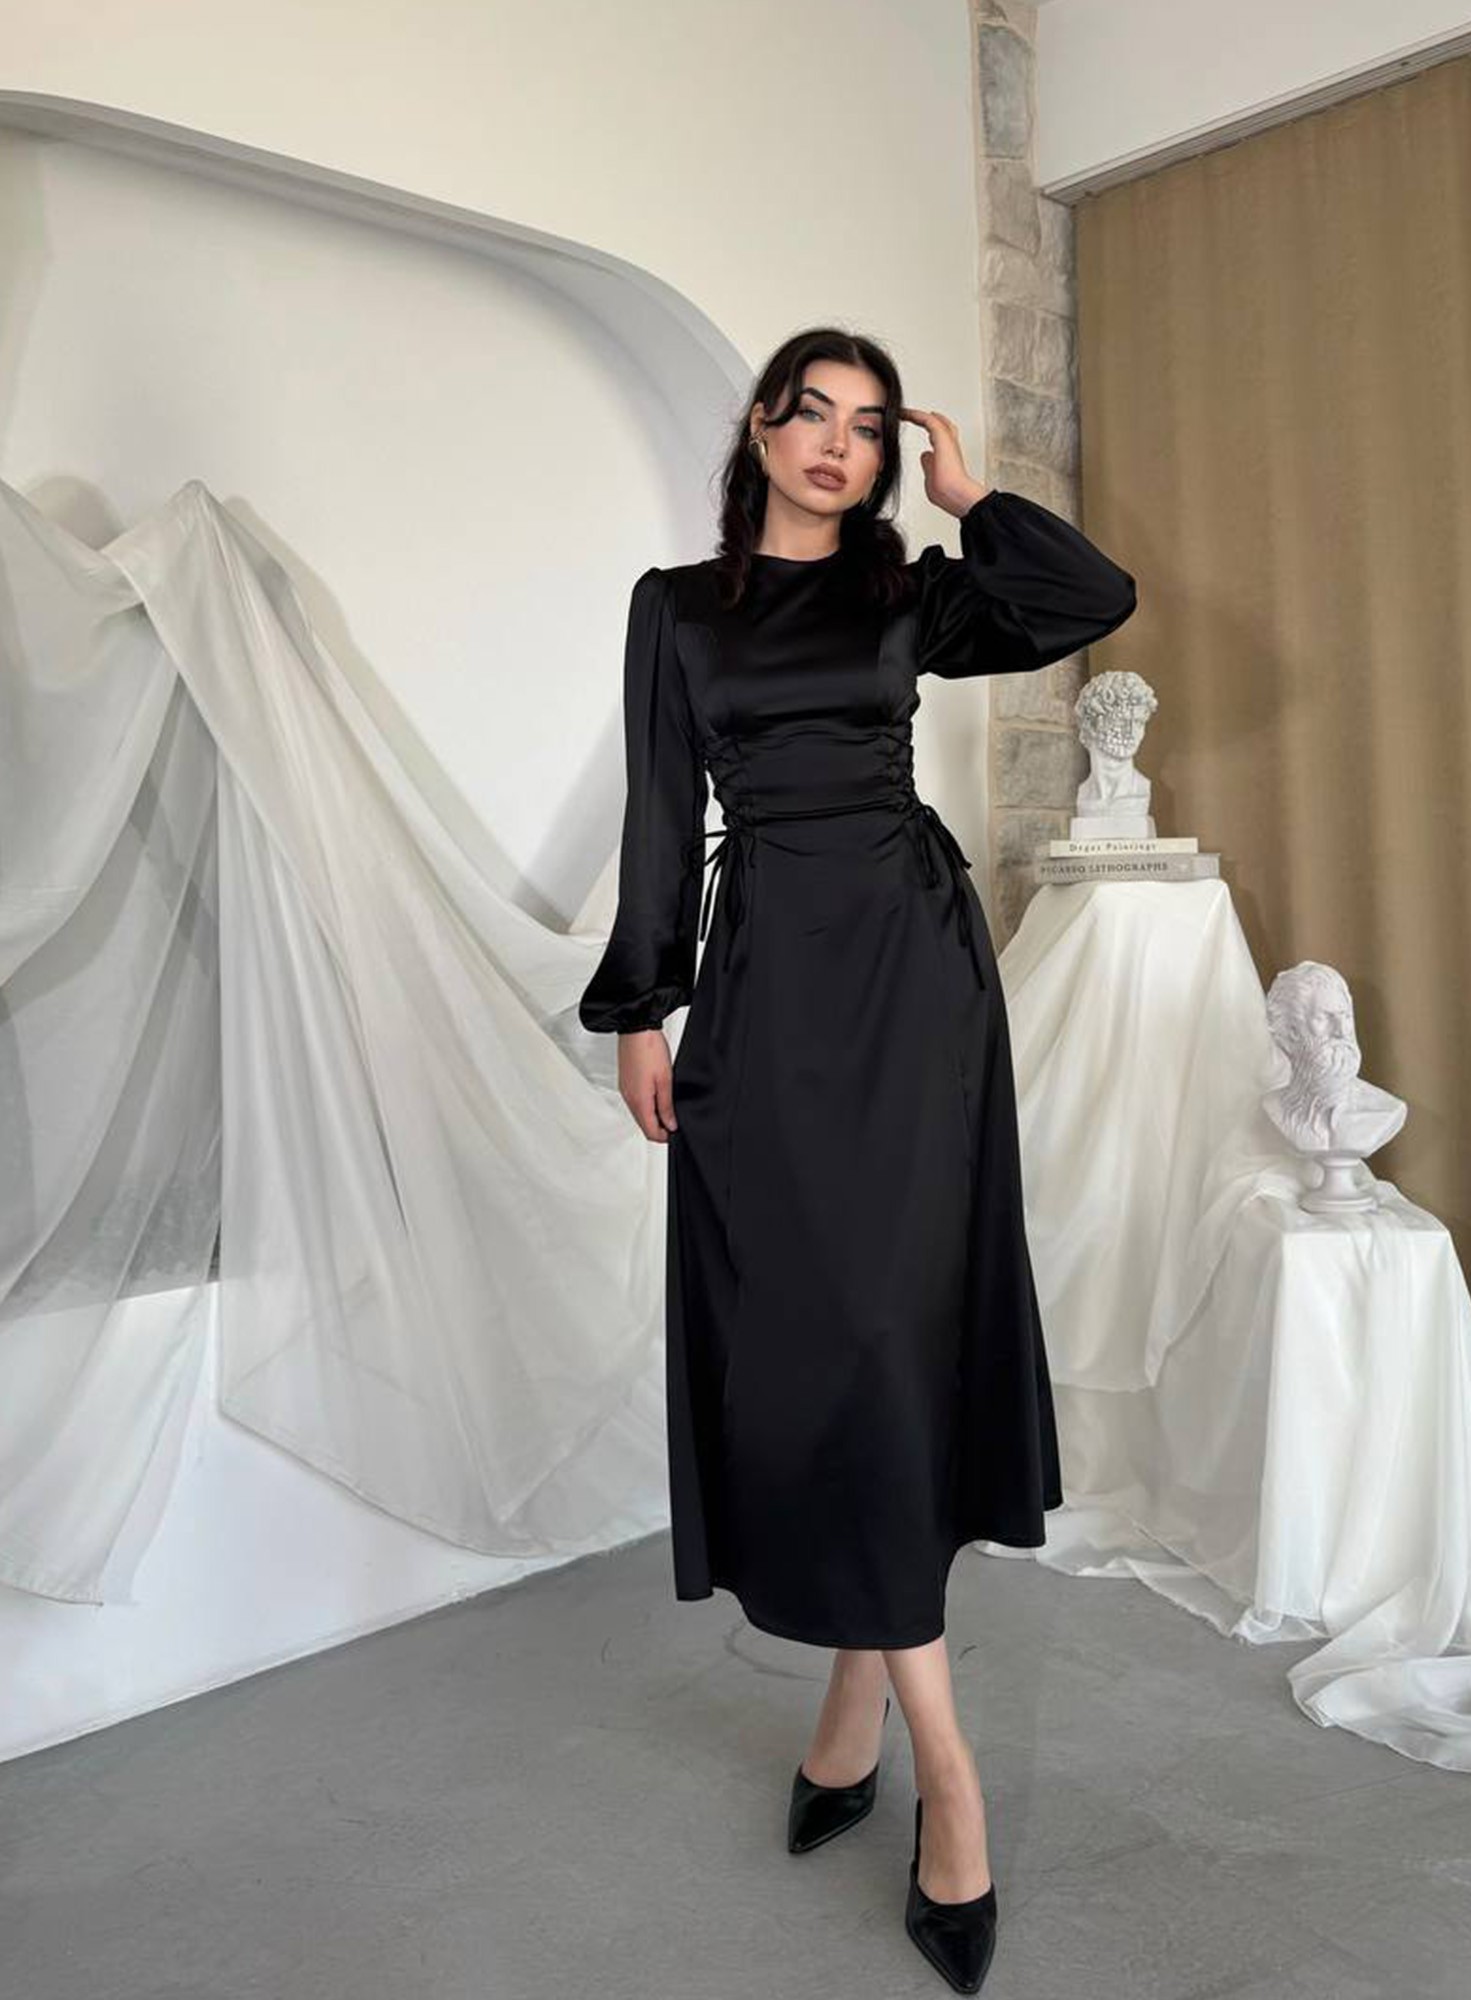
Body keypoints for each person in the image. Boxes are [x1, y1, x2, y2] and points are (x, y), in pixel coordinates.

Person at [578, 327, 1137, 1993]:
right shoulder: (678, 609)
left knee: (892, 1336)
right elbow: (661, 812)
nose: (839, 443)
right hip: (767, 990)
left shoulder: (910, 592)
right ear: (759, 428)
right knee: (816, 1340)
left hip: (912, 980)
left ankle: (938, 1774)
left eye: (871, 427)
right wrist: (642, 1007)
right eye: (813, 413)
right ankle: (856, 1710)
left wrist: (972, 497)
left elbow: (1087, 598)